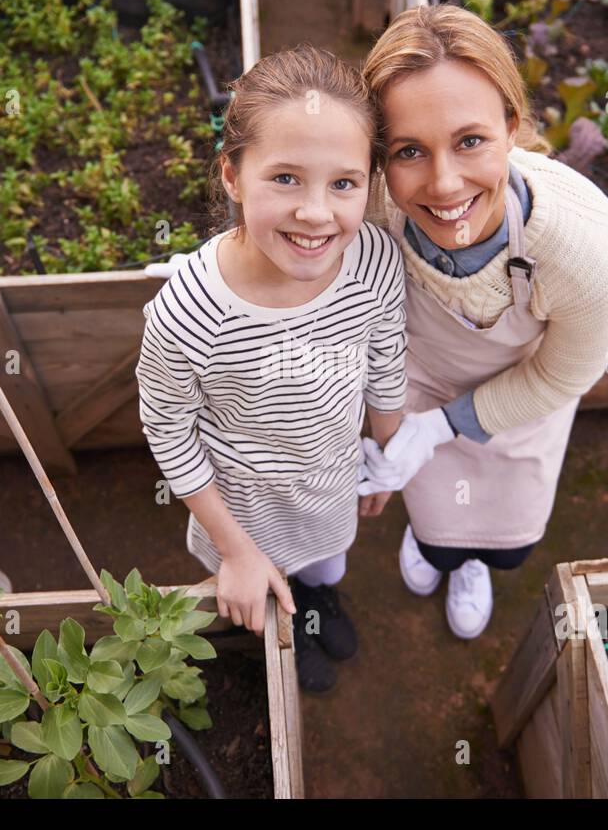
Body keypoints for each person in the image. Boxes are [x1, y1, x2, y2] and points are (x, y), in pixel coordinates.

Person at [357, 5, 608, 639]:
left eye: (470, 140)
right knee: (434, 526)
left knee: (504, 546)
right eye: (408, 151)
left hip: (521, 402)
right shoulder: (369, 208)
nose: (444, 183)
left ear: (511, 125)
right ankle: (434, 548)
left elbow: (561, 377)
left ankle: (472, 566)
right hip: (418, 381)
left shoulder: (585, 249)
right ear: (379, 158)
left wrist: (440, 431)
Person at [137, 46, 406, 692]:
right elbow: (169, 430)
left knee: (326, 566)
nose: (316, 213)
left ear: (368, 182)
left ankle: (315, 606)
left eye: (343, 183)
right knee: (258, 587)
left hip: (331, 480)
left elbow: (386, 357)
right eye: (285, 178)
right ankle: (281, 626)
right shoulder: (188, 310)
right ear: (232, 174)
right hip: (241, 505)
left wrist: (388, 451)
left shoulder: (372, 260)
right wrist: (233, 550)